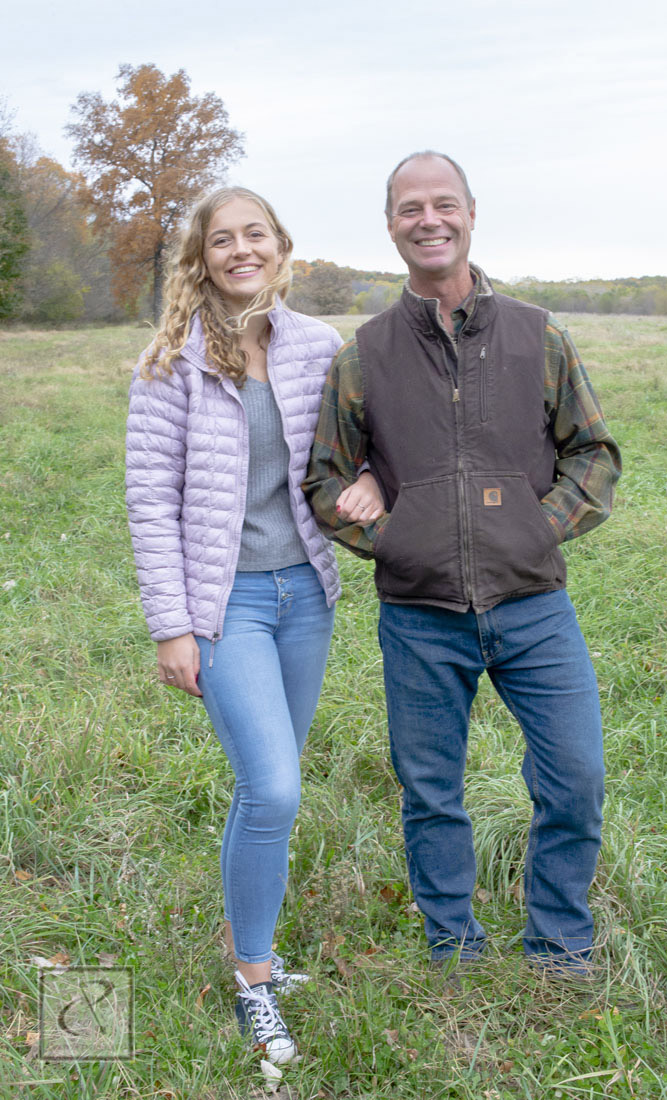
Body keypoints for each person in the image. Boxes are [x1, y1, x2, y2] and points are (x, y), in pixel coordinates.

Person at [304, 152, 622, 977]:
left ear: (472, 213)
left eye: (443, 204)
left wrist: (535, 530)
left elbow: (593, 454)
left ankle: (559, 943)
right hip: (419, 615)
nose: (429, 220)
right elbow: (324, 480)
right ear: (391, 226)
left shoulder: (538, 334)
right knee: (430, 791)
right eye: (410, 208)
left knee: (577, 777)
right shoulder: (364, 354)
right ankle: (454, 948)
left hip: (532, 604)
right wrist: (396, 538)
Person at [125, 186, 382, 1062]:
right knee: (273, 788)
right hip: (223, 603)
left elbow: (362, 446)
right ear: (200, 258)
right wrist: (172, 627)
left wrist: (372, 479)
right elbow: (150, 503)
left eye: (255, 235)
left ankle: (252, 950)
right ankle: (253, 982)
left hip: (305, 596)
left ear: (281, 246)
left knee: (268, 789)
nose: (241, 251)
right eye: (222, 240)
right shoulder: (171, 362)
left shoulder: (318, 346)